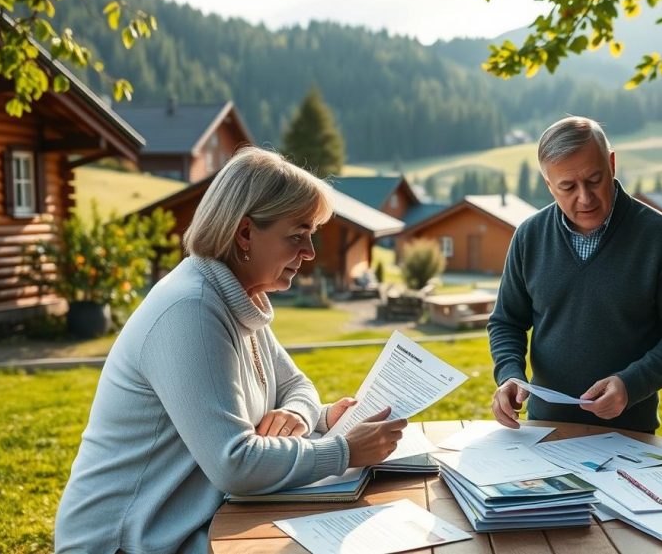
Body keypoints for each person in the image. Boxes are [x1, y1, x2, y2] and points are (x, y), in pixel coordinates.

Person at [55, 147, 407, 553]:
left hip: (191, 525)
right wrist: (344, 451)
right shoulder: (191, 309)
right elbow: (234, 463)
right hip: (130, 541)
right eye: (297, 236)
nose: (309, 253)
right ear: (244, 233)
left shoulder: (237, 296)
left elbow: (297, 385)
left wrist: (307, 416)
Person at [488, 116, 662, 433]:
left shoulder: (661, 237)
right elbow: (506, 321)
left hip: (629, 434)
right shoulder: (529, 236)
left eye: (594, 180)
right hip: (543, 429)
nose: (585, 197)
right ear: (548, 185)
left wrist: (631, 383)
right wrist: (509, 373)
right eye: (567, 187)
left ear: (612, 164)